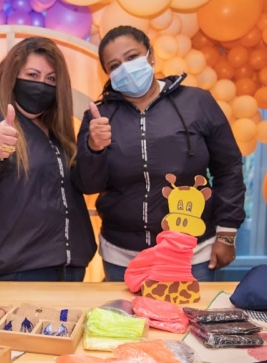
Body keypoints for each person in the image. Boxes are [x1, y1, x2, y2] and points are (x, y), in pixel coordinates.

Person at [73, 25, 245, 282]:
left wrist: (226, 233)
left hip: (191, 252)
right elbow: (87, 185)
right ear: (108, 74)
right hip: (122, 256)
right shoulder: (99, 117)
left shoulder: (197, 103)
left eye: (132, 57)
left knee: (189, 321)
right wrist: (93, 148)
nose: (126, 68)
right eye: (115, 65)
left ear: (150, 55)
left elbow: (228, 168)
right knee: (126, 323)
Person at [0, 37, 97, 281]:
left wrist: (94, 149)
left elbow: (80, 185)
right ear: (12, 75)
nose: (41, 85)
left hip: (67, 269)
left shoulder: (55, 128)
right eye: (32, 75)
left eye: (51, 79)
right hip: (10, 272)